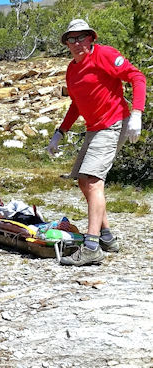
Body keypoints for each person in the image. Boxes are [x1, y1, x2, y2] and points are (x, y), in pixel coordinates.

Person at [46, 19, 146, 266]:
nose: (77, 43)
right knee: (83, 179)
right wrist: (61, 132)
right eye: (72, 38)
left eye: (82, 37)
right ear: (66, 43)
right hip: (94, 128)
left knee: (93, 180)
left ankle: (91, 246)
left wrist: (137, 113)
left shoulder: (105, 55)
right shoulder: (72, 70)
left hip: (114, 123)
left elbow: (137, 77)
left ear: (91, 38)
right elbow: (77, 104)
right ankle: (107, 236)